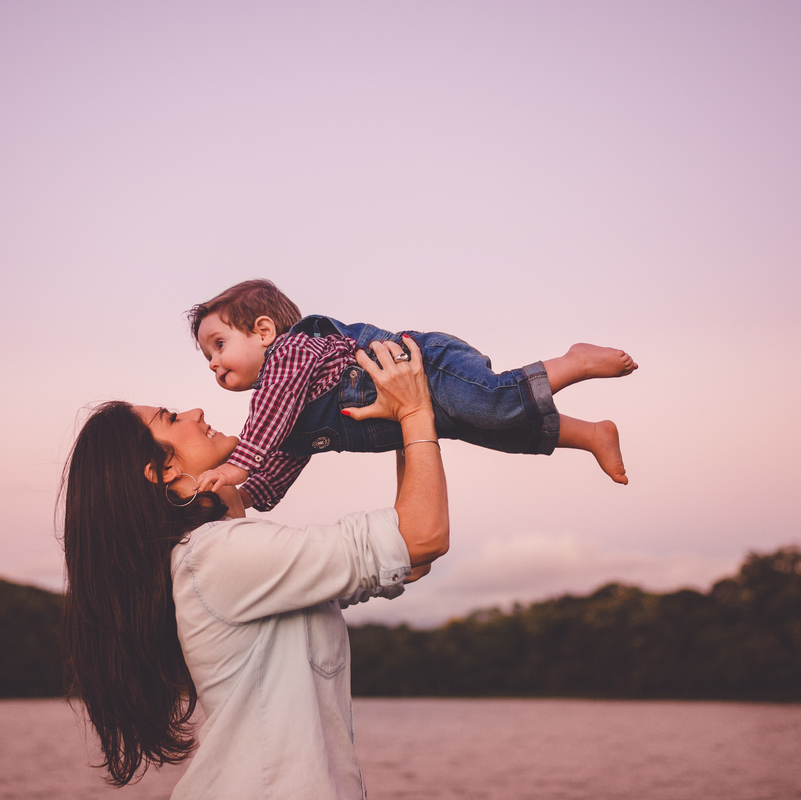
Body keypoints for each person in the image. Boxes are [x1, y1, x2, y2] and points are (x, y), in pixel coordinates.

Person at [62, 337, 449, 799]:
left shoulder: (218, 558)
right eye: (170, 418)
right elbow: (420, 537)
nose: (196, 413)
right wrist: (415, 413)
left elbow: (411, 557)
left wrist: (401, 425)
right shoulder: (215, 555)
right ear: (160, 469)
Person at [187, 279, 638, 511]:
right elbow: (285, 457)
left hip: (426, 365)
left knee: (493, 403)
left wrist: (235, 468)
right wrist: (249, 496)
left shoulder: (291, 352)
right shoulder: (284, 420)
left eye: (219, 345)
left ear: (263, 331)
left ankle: (573, 362)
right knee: (494, 429)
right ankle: (590, 433)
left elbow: (265, 423)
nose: (212, 362)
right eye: (207, 355)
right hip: (415, 410)